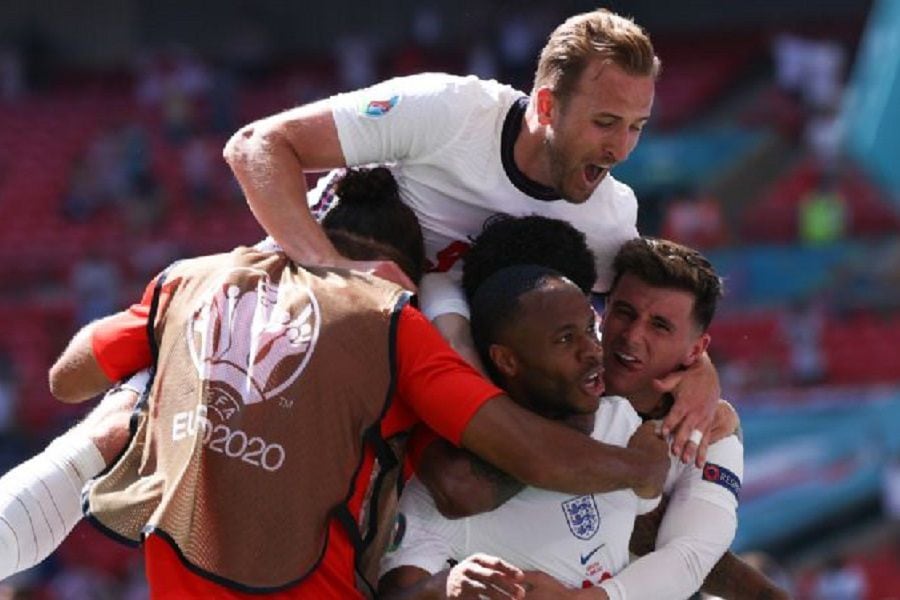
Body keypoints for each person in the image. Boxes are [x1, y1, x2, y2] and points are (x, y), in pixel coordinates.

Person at [24, 168, 666, 598]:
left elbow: (67, 376)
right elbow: (483, 469)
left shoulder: (192, 281)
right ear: (403, 271)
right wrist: (632, 466)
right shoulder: (391, 325)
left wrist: (160, 366)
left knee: (128, 402)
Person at [223, 8, 720, 460]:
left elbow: (648, 326)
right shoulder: (447, 112)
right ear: (546, 106)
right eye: (605, 122)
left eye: (637, 127)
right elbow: (255, 146)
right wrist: (332, 272)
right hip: (307, 323)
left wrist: (702, 375)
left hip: (430, 379)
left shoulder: (608, 217)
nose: (621, 148)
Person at [381, 222, 788, 599]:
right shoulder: (538, 403)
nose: (631, 336)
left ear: (697, 350)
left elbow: (689, 556)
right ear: (604, 311)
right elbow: (455, 494)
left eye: (660, 327)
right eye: (624, 314)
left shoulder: (703, 427)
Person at [379, 264, 667, 598]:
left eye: (591, 328)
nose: (592, 349)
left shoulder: (621, 420)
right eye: (565, 339)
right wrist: (442, 587)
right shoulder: (448, 488)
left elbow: (651, 530)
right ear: (507, 360)